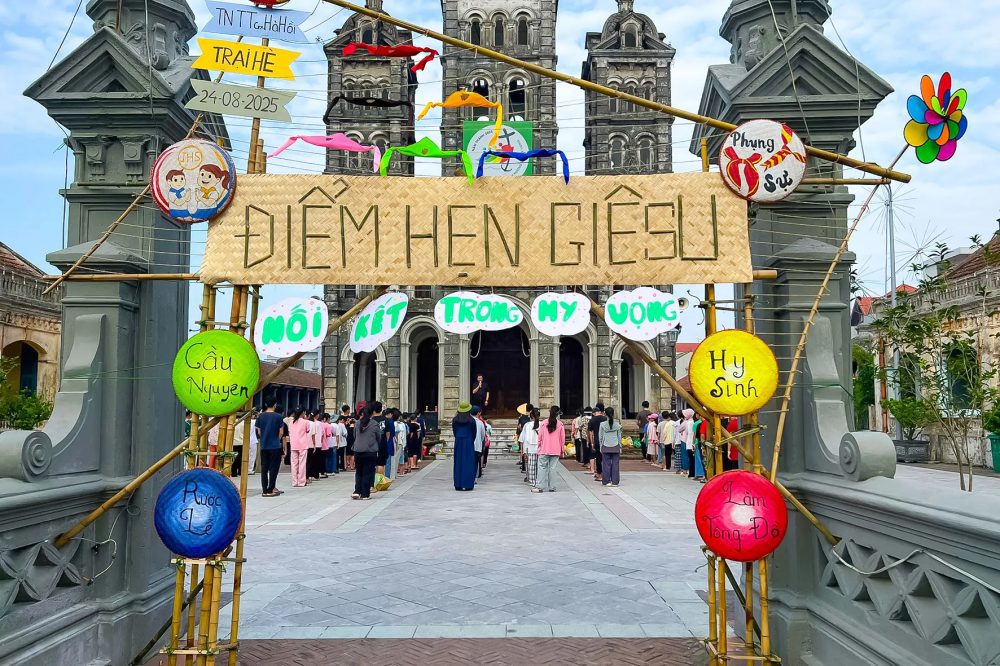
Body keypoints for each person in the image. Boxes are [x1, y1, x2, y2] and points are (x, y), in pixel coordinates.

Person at [352, 403, 382, 500]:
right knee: (367, 472)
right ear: (372, 413)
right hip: (370, 451)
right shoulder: (375, 424)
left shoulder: (357, 423)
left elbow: (354, 436)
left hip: (358, 450)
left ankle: (357, 491)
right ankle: (365, 494)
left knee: (359, 472)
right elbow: (378, 437)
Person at [256, 399, 286, 497]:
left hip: (264, 445)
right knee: (274, 468)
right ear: (275, 405)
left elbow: (259, 431)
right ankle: (271, 488)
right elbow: (281, 432)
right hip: (275, 446)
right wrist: (276, 439)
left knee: (264, 468)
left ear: (266, 404)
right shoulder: (278, 416)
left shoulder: (260, 416)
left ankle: (264, 490)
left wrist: (264, 438)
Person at [533, 405, 564, 493]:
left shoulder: (544, 423)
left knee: (542, 467)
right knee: (552, 468)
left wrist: (539, 446)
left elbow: (540, 437)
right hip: (556, 449)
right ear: (558, 414)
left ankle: (539, 487)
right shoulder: (560, 424)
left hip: (544, 448)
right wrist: (562, 450)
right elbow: (562, 439)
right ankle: (552, 487)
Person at [452, 402, 478, 491]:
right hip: (469, 441)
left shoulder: (455, 420)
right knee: (469, 462)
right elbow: (474, 432)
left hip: (458, 441)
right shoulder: (471, 420)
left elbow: (454, 431)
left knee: (458, 462)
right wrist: (470, 439)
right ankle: (468, 484)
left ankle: (458, 483)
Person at [599, 407, 623, 487]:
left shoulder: (602, 424)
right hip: (615, 445)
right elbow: (619, 437)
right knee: (615, 464)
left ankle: (606, 481)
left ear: (605, 414)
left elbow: (600, 437)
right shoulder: (617, 425)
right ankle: (615, 482)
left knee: (606, 464)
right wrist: (620, 447)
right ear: (613, 414)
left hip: (605, 445)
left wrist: (600, 446)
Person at [287, 407, 311, 488]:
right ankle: (301, 481)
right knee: (302, 464)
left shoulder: (291, 422)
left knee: (294, 464)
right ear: (303, 413)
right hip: (303, 444)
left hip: (293, 445)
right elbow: (308, 431)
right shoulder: (306, 422)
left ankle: (294, 481)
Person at [520, 408, 540, 486]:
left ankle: (532, 480)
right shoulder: (542, 424)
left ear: (531, 416)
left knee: (531, 466)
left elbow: (522, 438)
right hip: (540, 448)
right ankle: (539, 480)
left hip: (529, 448)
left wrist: (523, 451)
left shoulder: (527, 425)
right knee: (539, 466)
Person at [588, 403, 607, 482]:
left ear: (593, 413)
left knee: (598, 458)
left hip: (597, 440)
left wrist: (591, 443)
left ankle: (600, 474)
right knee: (605, 457)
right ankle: (605, 473)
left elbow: (590, 433)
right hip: (605, 440)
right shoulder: (605, 418)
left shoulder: (592, 420)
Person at [471, 405, 486, 479]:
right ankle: (475, 477)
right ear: (478, 413)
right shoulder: (480, 423)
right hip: (477, 446)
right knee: (476, 462)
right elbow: (483, 435)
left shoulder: (468, 421)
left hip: (469, 445)